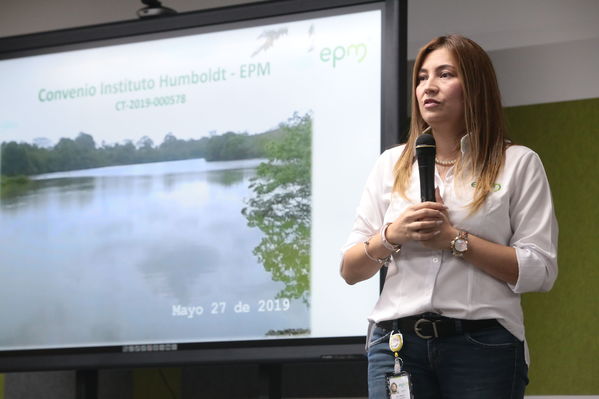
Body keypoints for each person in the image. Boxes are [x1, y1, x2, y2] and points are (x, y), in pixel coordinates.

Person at [340, 35, 558, 399]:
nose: (429, 87)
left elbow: (540, 270)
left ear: (474, 86)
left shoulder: (518, 162)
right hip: (395, 345)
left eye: (444, 74)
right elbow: (350, 269)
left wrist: (454, 240)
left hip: (483, 344)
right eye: (422, 77)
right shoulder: (390, 164)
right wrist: (394, 233)